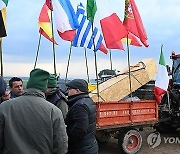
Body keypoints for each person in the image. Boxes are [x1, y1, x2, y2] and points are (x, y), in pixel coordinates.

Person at [0, 68, 68, 154]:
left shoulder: (4, 107)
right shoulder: (54, 111)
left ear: (28, 85)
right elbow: (61, 146)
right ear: (45, 88)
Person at [65, 79, 98, 154]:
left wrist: (68, 139)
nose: (67, 91)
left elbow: (81, 128)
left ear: (77, 91)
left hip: (81, 149)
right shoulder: (88, 100)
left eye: (70, 89)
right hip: (89, 146)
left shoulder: (79, 105)